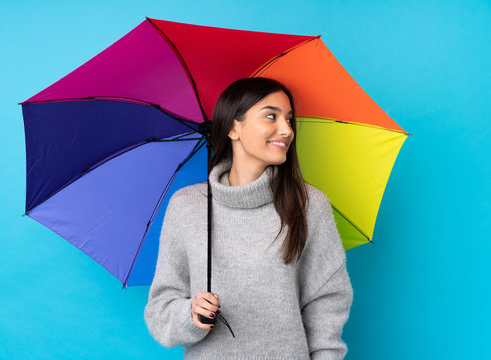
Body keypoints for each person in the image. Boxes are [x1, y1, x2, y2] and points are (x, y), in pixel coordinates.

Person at [144, 77, 353, 359]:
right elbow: (160, 310)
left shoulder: (308, 205)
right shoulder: (187, 206)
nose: (286, 130)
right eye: (271, 116)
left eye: (289, 120)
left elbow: (326, 303)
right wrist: (189, 314)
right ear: (233, 127)